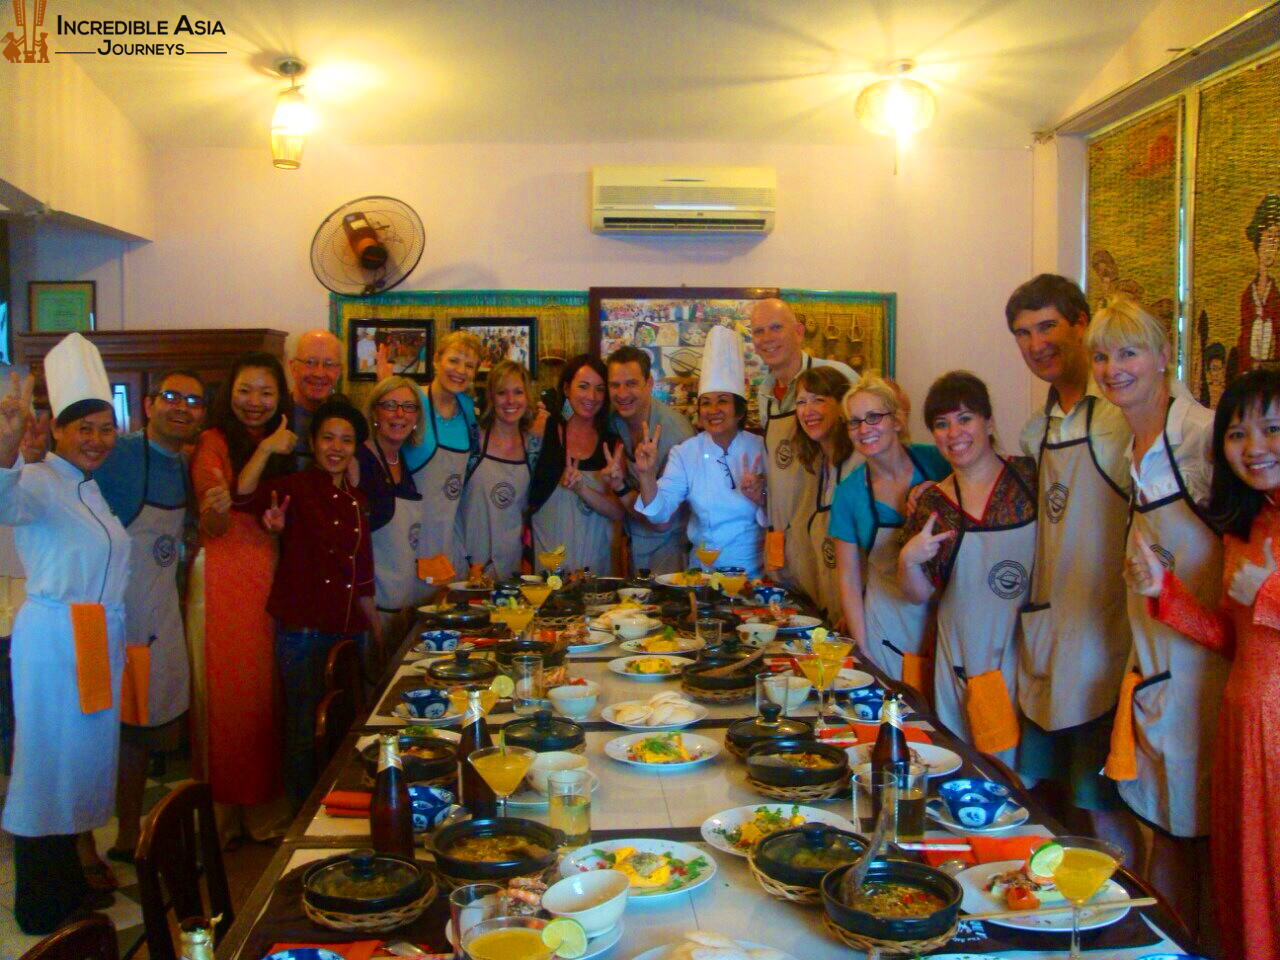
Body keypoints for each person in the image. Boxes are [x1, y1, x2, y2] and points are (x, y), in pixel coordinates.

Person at [1127, 368, 1280, 960]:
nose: (1254, 448)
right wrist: (1164, 589)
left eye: (1270, 429)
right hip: (1241, 730)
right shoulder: (1251, 525)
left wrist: (1269, 593)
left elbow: (1260, 604)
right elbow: (1230, 637)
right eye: (1238, 434)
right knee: (1244, 885)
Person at [1086, 298, 1227, 935]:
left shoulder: (1201, 434)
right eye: (1101, 356)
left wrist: (1166, 587)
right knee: (1161, 831)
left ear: (1165, 355)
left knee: (1189, 839)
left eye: (1128, 352)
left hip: (1202, 672)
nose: (1112, 368)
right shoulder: (1128, 441)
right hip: (1155, 667)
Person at [0, 335, 132, 933]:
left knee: (80, 762)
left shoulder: (89, 486)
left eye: (106, 428)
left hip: (94, 637)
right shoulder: (36, 481)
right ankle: (40, 903)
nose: (97, 440)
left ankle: (74, 876)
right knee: (45, 765)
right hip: (54, 642)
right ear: (55, 429)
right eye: (84, 428)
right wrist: (6, 437)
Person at [1007, 274, 1137, 853]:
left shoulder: (1120, 417)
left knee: (1103, 812)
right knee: (1036, 795)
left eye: (1047, 327)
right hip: (1046, 640)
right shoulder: (1036, 430)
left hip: (1105, 641)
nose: (1036, 344)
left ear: (1082, 323)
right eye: (1022, 333)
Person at [235, 397, 378, 809]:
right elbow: (243, 496)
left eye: (346, 440)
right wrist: (265, 449)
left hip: (349, 628)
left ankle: (338, 806)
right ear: (313, 443)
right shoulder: (293, 489)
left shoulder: (356, 499)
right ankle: (301, 814)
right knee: (302, 729)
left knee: (345, 727)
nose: (336, 447)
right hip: (304, 631)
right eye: (328, 438)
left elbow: (362, 573)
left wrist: (377, 631)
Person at [93, 370, 207, 865]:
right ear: (147, 405)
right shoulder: (116, 455)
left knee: (143, 730)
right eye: (171, 397)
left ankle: (127, 833)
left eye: (193, 401)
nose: (182, 407)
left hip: (159, 607)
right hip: (110, 613)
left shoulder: (186, 463)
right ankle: (84, 845)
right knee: (99, 734)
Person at [898, 372, 1036, 766]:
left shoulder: (1031, 478)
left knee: (1037, 784)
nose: (953, 433)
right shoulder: (933, 505)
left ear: (989, 423)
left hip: (1029, 657)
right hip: (964, 660)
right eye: (941, 424)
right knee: (972, 774)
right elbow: (918, 594)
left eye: (965, 418)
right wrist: (909, 558)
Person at [186, 352, 292, 841]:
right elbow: (214, 520)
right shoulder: (212, 441)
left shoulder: (284, 440)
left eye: (266, 392)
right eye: (246, 390)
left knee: (264, 696)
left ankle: (263, 809)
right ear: (229, 391)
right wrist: (219, 506)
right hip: (223, 579)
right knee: (224, 696)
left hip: (268, 574)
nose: (255, 402)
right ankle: (223, 817)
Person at [830, 375, 948, 686]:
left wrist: (939, 489)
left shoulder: (936, 462)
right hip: (887, 624)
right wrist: (863, 646)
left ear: (896, 420)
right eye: (854, 422)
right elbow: (849, 579)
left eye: (873, 417)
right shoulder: (848, 493)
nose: (864, 429)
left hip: (944, 617)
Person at [633, 325, 768, 576]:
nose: (713, 410)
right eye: (705, 402)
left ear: (738, 410)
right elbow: (659, 513)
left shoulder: (761, 448)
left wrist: (761, 500)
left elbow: (782, 516)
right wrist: (647, 475)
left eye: (722, 401)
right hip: (702, 576)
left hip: (754, 575)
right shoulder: (685, 453)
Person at [750, 298, 856, 588]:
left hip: (825, 526)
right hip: (779, 530)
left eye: (775, 328)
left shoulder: (837, 377)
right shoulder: (765, 392)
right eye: (758, 332)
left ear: (798, 331)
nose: (767, 339)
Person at [399, 331, 482, 586]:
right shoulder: (412, 401)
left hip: (449, 534)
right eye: (454, 361)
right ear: (436, 360)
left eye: (469, 366)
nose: (461, 371)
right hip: (410, 534)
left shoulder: (468, 407)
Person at [529, 355, 624, 575]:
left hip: (597, 567)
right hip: (548, 568)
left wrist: (582, 489)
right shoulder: (544, 430)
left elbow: (619, 512)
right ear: (566, 388)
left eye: (600, 389)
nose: (592, 396)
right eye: (583, 386)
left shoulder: (611, 444)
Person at [606, 346, 695, 575]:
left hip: (669, 547)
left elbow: (661, 521)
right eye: (615, 385)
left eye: (631, 384)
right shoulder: (614, 419)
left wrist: (622, 489)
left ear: (649, 383)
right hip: (632, 541)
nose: (622, 393)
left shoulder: (675, 435)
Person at [354, 375, 424, 648]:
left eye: (408, 407)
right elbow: (353, 546)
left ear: (417, 416)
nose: (399, 414)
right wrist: (368, 611)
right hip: (371, 611)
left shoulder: (402, 459)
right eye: (390, 405)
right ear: (374, 413)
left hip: (401, 609)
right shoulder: (360, 461)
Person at [459, 360, 543, 580]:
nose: (510, 401)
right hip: (468, 566)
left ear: (527, 397)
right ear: (491, 397)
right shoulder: (471, 441)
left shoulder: (535, 448)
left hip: (514, 569)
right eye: (502, 393)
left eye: (518, 392)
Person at [787, 365, 857, 620]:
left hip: (859, 616)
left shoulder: (858, 465)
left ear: (841, 406)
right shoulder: (816, 465)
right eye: (801, 402)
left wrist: (853, 613)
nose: (808, 411)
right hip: (828, 609)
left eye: (819, 400)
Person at [287, 329, 343, 469]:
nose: (319, 373)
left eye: (329, 364)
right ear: (293, 367)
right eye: (310, 362)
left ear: (339, 372)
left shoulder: (344, 418)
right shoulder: (275, 416)